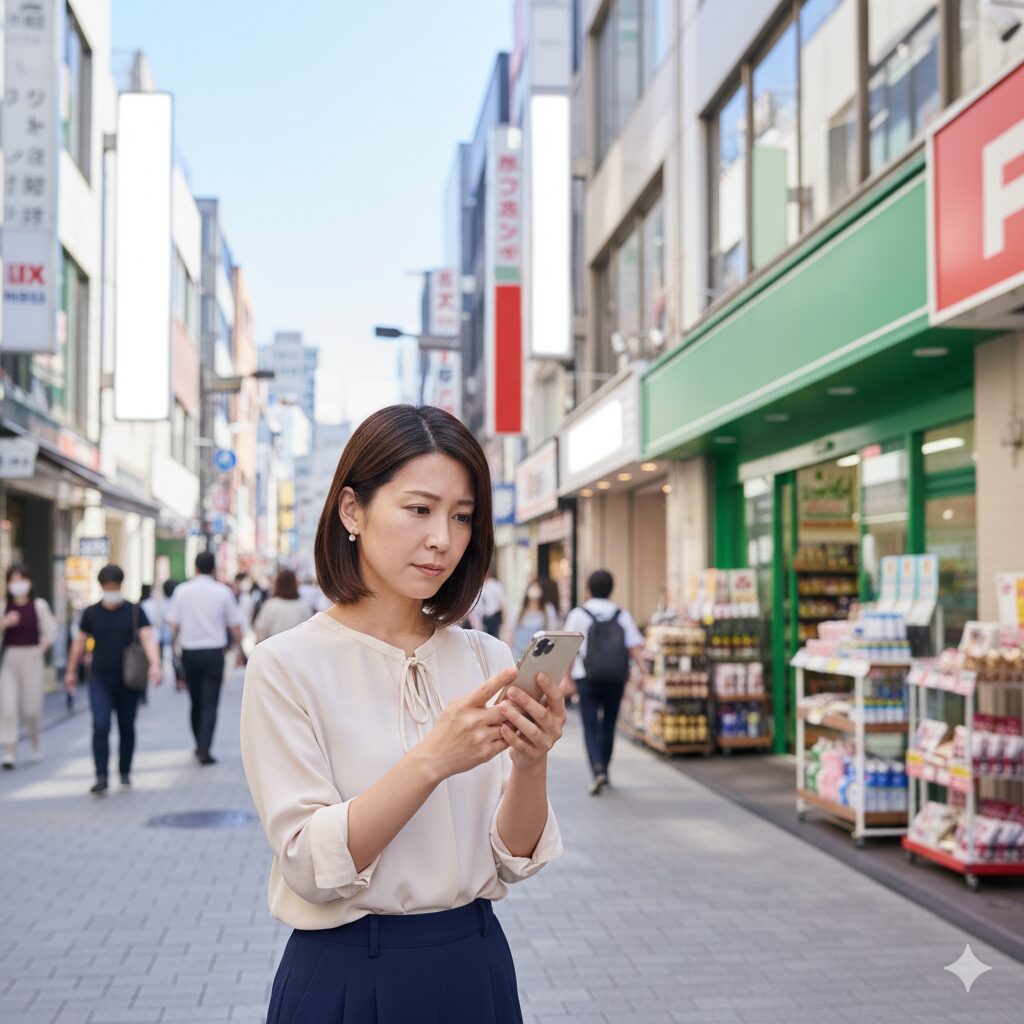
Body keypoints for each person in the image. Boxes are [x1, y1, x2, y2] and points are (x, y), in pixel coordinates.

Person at [240, 404, 564, 1024]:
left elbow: (512, 857)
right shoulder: (286, 665)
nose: (443, 538)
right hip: (346, 974)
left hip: (475, 961)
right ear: (352, 510)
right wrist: (431, 762)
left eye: (462, 516)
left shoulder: (484, 656)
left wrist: (531, 762)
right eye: (420, 509)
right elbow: (309, 863)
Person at [63, 564, 163, 793]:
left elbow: (147, 638)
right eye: (108, 586)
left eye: (115, 586)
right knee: (100, 725)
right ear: (101, 587)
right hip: (99, 679)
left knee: (126, 727)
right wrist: (70, 671)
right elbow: (79, 642)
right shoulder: (91, 613)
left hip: (128, 680)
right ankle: (101, 776)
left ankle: (125, 771)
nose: (111, 590)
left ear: (121, 585)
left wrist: (155, 664)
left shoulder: (134, 611)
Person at [563, 569, 646, 796]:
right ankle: (605, 770)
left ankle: (597, 769)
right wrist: (645, 675)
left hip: (586, 678)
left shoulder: (579, 614)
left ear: (588, 588)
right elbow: (635, 648)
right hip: (615, 679)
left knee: (589, 726)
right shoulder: (621, 614)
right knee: (609, 724)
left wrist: (566, 678)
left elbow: (568, 649)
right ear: (611, 589)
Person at [165, 551, 242, 766]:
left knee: (195, 701)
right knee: (210, 703)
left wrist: (171, 650)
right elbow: (235, 625)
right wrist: (239, 648)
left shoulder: (182, 591)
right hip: (214, 653)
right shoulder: (223, 592)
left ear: (196, 568)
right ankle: (204, 747)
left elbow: (172, 624)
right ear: (214, 568)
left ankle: (199, 742)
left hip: (189, 653)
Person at [0, 565, 57, 769]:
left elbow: (50, 630)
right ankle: (9, 750)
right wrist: (4, 623)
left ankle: (35, 743)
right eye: (13, 580)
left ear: (29, 581)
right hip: (10, 657)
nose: (17, 584)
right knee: (7, 706)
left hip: (32, 657)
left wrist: (44, 644)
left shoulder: (38, 605)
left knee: (31, 708)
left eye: (21, 579)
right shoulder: (4, 605)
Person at [253, 568, 314, 643]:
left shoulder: (270, 605)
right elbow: (309, 632)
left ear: (277, 584)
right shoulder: (303, 606)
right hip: (296, 650)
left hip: (273, 650)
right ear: (295, 584)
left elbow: (260, 630)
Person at [511, 578, 561, 659]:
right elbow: (511, 632)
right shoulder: (518, 609)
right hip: (518, 653)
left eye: (537, 587)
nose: (534, 590)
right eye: (532, 587)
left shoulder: (548, 609)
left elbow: (552, 631)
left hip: (539, 655)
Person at [477, 566, 505, 638]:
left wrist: (503, 619)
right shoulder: (480, 586)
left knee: (494, 637)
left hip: (494, 616)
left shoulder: (495, 585)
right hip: (484, 617)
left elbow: (501, 602)